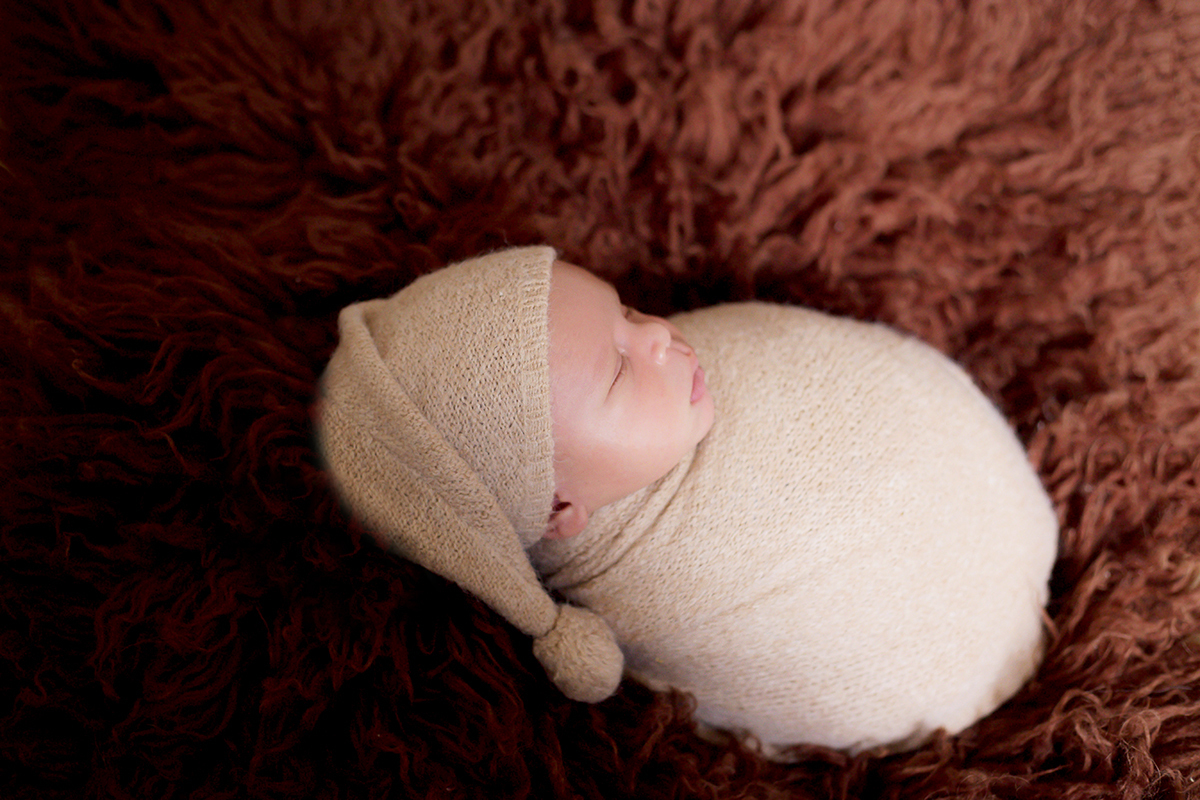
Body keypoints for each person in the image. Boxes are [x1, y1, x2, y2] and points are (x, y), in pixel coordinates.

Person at [315, 245, 1059, 755]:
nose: (660, 340)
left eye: (629, 313)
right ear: (556, 512)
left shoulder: (671, 379)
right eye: (618, 372)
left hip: (988, 496)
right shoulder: (667, 580)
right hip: (950, 666)